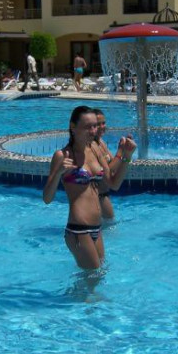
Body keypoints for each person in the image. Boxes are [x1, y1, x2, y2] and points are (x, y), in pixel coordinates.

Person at [43, 106, 136, 269]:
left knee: (99, 274)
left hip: (96, 229)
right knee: (93, 277)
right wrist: (58, 173)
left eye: (95, 126)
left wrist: (127, 156)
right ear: (73, 127)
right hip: (78, 230)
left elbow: (113, 184)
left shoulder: (95, 149)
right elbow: (47, 199)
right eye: (87, 127)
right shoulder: (62, 155)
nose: (93, 131)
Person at [92, 108, 116, 221]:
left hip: (104, 195)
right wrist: (123, 153)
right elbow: (107, 172)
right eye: (98, 124)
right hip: (97, 197)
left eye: (103, 123)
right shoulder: (91, 146)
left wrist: (125, 152)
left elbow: (114, 166)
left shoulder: (101, 142)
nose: (102, 126)